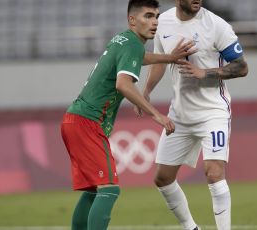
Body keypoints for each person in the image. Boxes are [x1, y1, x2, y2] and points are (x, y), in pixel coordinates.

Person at [60, 0, 196, 229]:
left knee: (95, 190)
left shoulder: (123, 39)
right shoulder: (132, 44)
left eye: (156, 16)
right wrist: (157, 115)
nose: (154, 22)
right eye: (148, 16)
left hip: (74, 120)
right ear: (132, 20)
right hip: (88, 123)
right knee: (109, 189)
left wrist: (169, 58)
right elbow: (124, 84)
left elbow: (141, 58)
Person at [135, 0, 248, 229]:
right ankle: (191, 228)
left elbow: (241, 67)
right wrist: (146, 92)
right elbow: (160, 60)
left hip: (212, 111)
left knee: (214, 173)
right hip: (180, 115)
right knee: (163, 179)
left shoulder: (216, 25)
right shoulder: (163, 22)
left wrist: (204, 72)